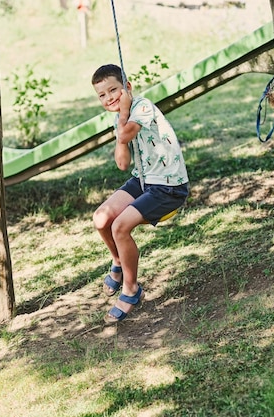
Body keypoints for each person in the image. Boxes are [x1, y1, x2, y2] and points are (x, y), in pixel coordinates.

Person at [91, 64, 189, 323]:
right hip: (144, 180)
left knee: (120, 227)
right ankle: (119, 263)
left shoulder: (142, 107)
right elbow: (123, 163)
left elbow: (127, 133)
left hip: (168, 186)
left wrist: (124, 112)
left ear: (128, 88)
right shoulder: (120, 118)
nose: (109, 97)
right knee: (101, 219)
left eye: (113, 90)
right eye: (102, 95)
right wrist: (121, 116)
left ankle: (131, 290)